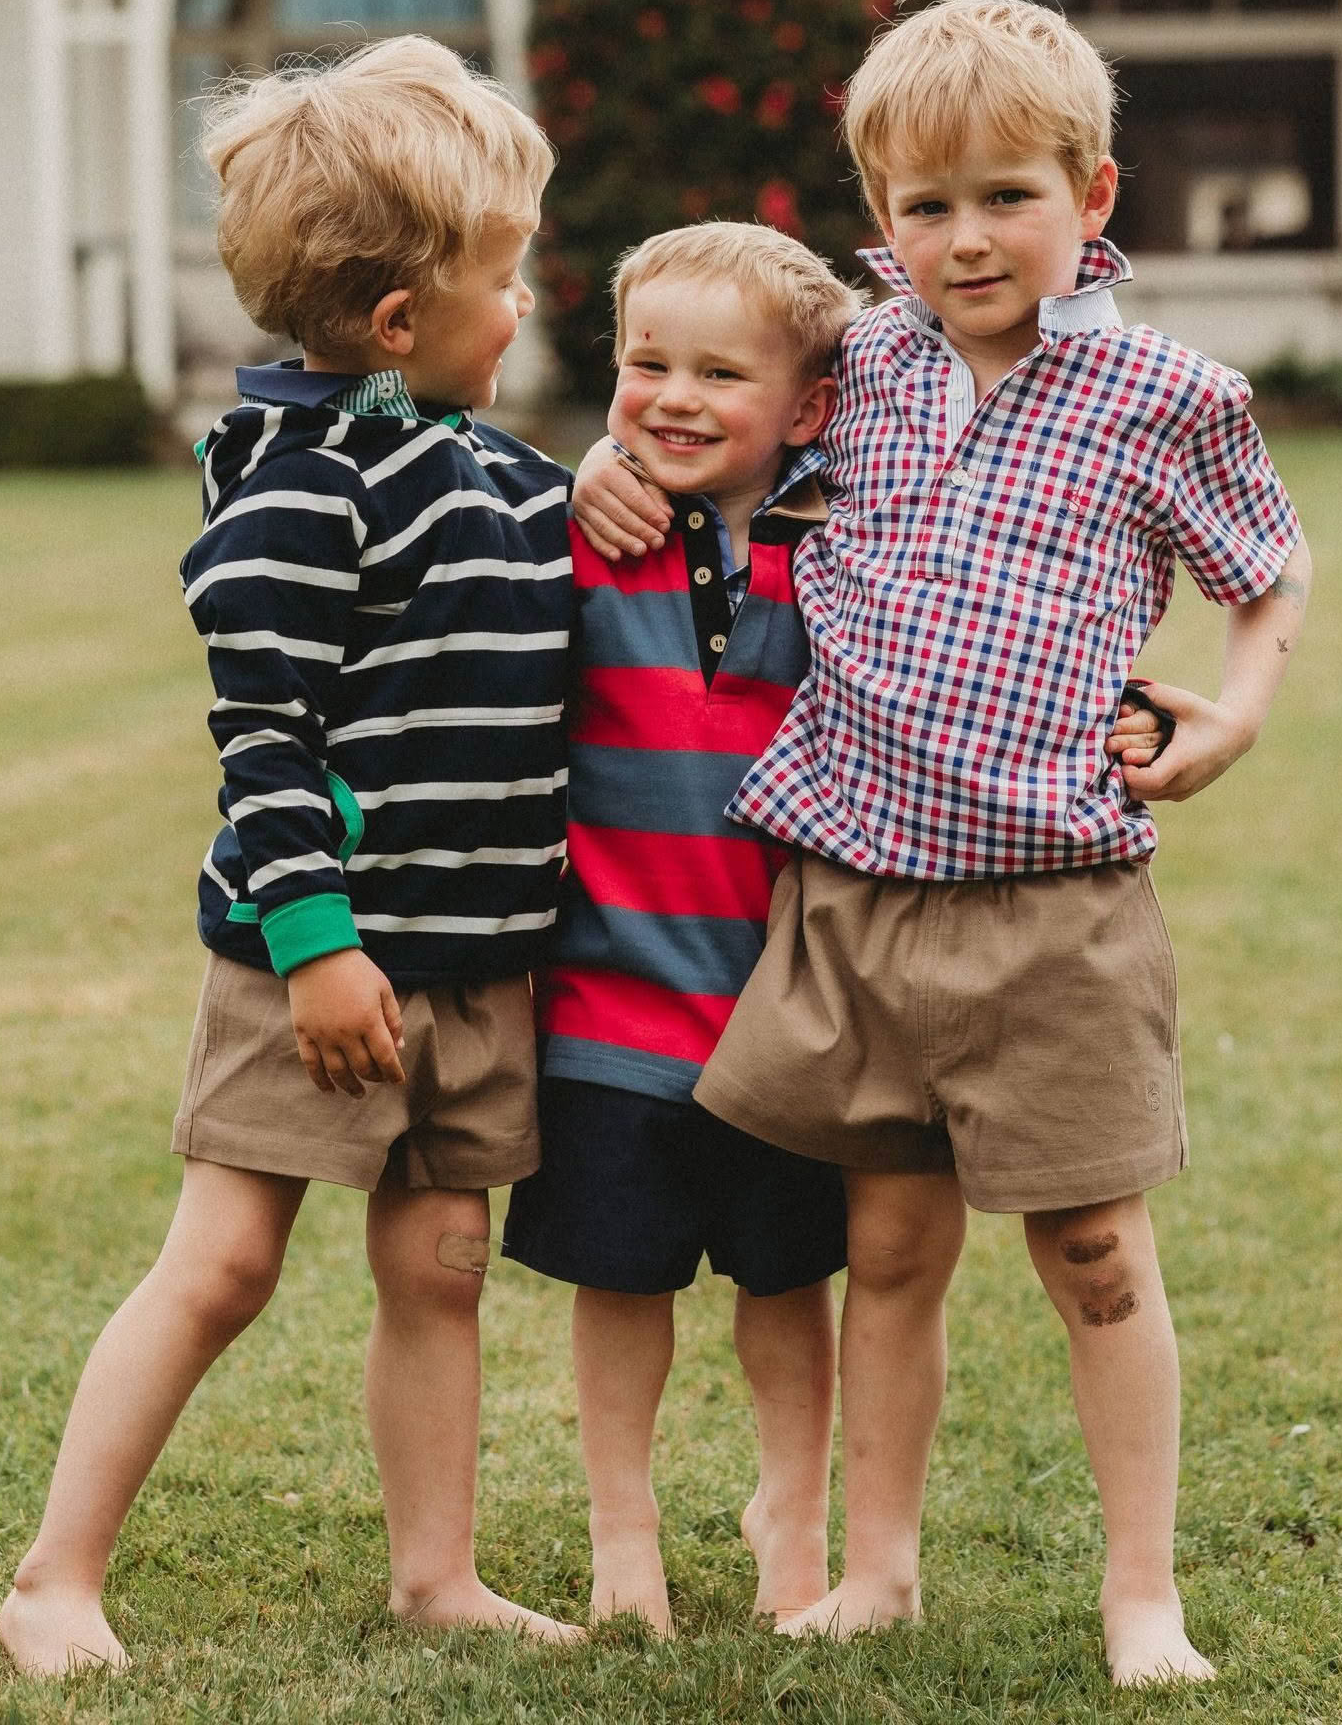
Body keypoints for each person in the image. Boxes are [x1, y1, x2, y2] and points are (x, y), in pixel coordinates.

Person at [574, 0, 1311, 1687]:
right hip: (852, 890)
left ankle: (1144, 1594)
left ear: (1095, 196)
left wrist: (1234, 706)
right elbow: (708, 416)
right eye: (925, 206)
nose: (966, 239)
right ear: (879, 220)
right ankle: (878, 1570)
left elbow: (1265, 574)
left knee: (1097, 1254)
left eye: (1007, 196)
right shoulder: (862, 364)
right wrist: (599, 474)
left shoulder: (1167, 396)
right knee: (888, 1247)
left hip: (1056, 909)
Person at [0, 35, 577, 1675]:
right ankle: (54, 1575)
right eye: (508, 277)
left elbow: (526, 518)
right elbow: (266, 743)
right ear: (402, 323)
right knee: (228, 1261)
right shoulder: (295, 496)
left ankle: (437, 1573)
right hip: (309, 964)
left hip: (472, 958)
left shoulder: (468, 457)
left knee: (441, 1267)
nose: (525, 304)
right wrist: (318, 942)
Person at [499, 222, 858, 1635]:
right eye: (647, 363)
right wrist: (581, 469)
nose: (676, 397)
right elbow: (387, 400)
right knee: (620, 1279)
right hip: (606, 1004)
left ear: (807, 405)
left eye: (722, 371)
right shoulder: (577, 532)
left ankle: (796, 1532)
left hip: (788, 1012)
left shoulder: (848, 540)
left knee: (787, 1286)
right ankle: (623, 1541)